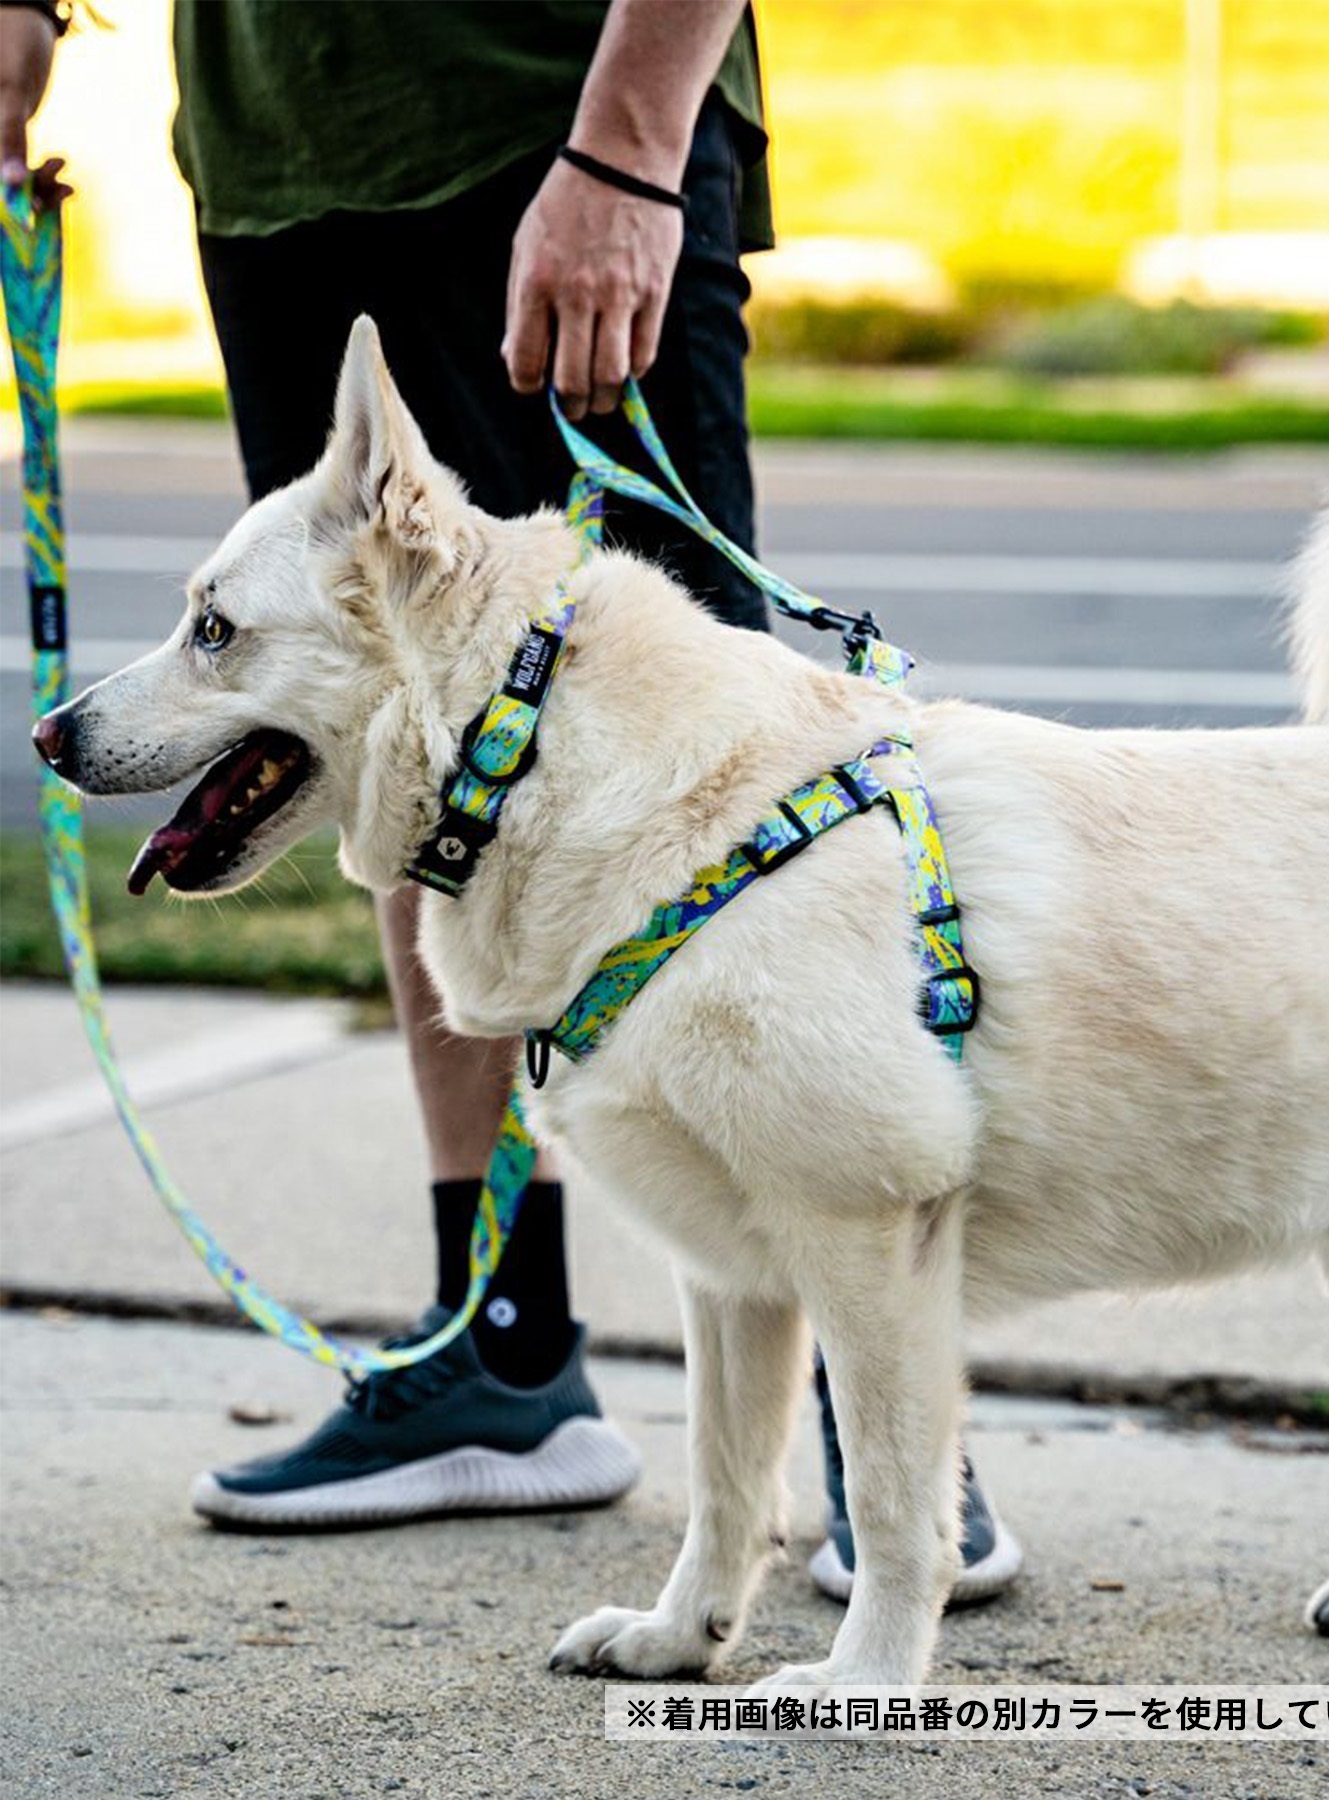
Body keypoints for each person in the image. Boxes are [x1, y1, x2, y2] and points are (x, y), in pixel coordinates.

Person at [2, 0, 1020, 1601]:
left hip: (554, 119)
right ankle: (506, 1347)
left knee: (735, 790)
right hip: (287, 155)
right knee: (386, 730)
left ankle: (888, 1424)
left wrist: (626, 139)